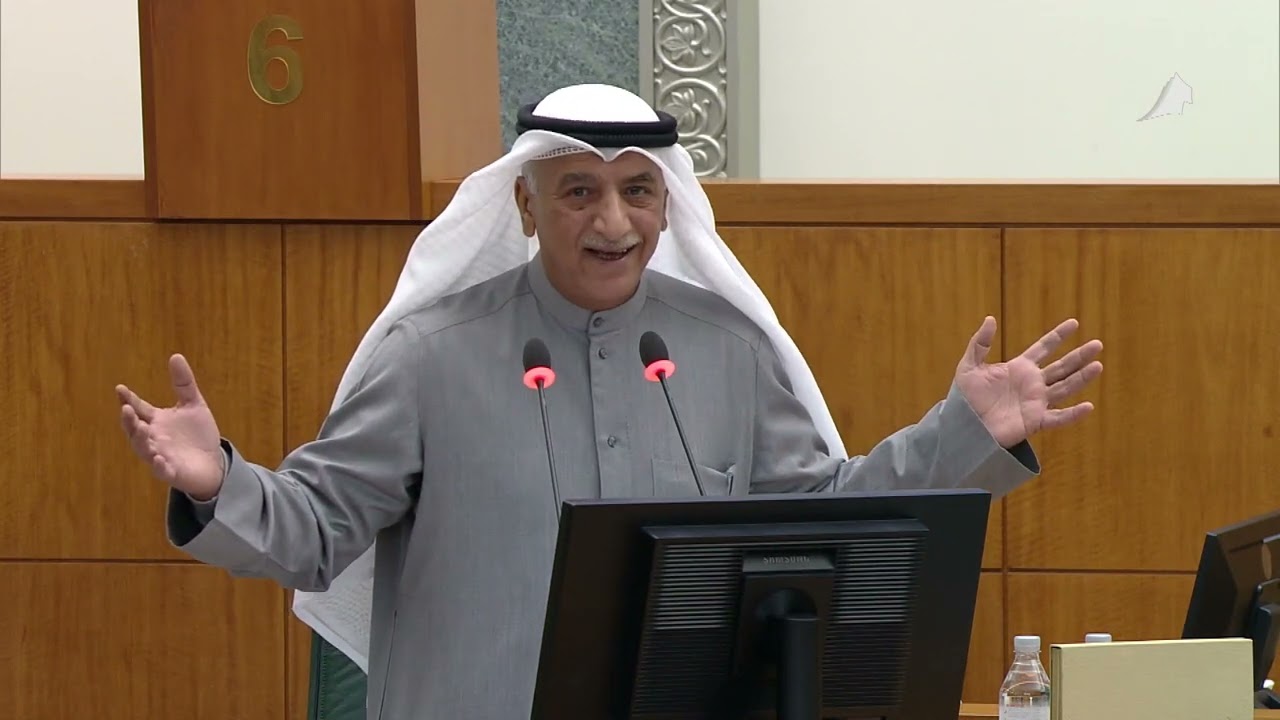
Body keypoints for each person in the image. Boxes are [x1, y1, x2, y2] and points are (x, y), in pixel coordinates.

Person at [115, 84, 1102, 719]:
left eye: (637, 189)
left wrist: (963, 432)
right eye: (579, 190)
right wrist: (216, 484)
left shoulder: (726, 350)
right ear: (525, 204)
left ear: (667, 204)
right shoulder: (428, 357)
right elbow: (314, 531)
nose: (613, 219)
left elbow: (824, 518)